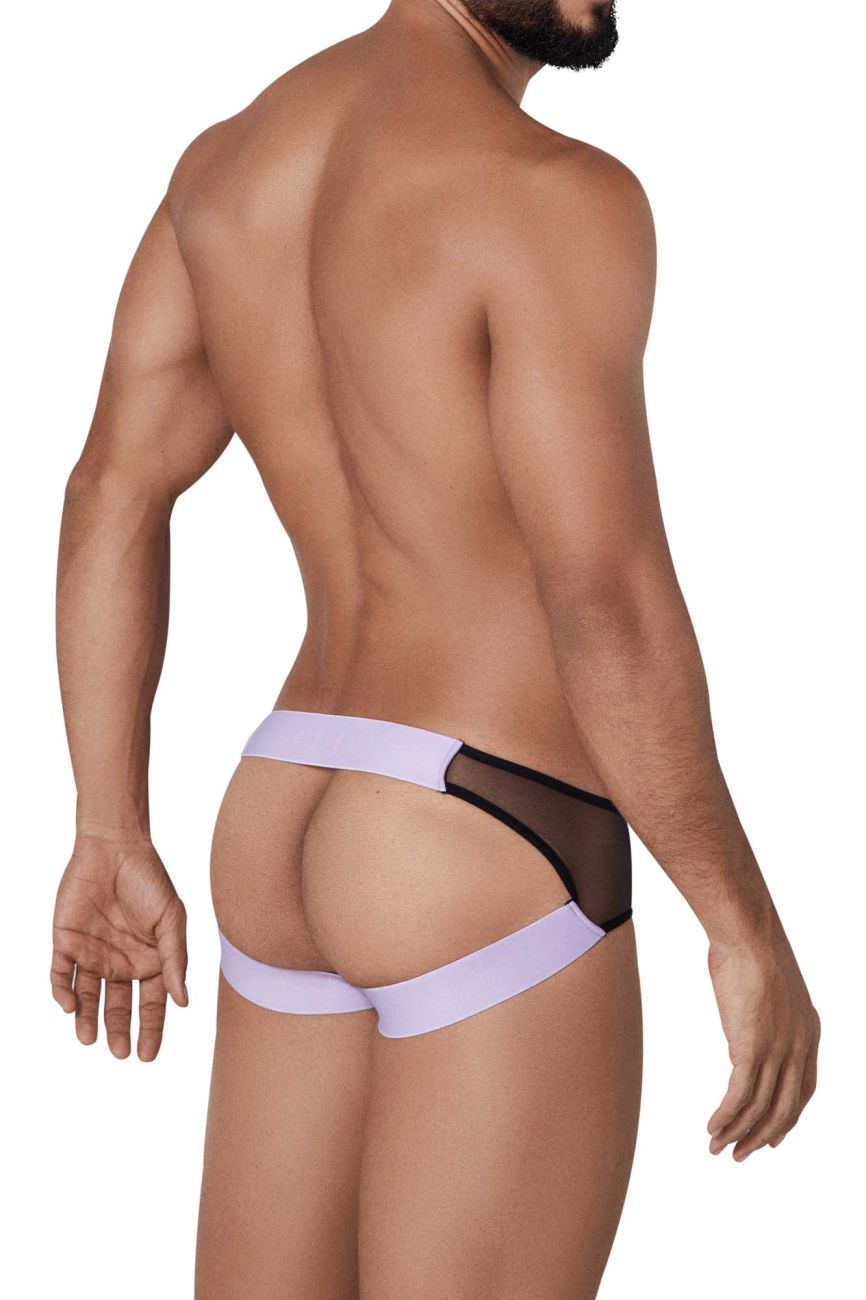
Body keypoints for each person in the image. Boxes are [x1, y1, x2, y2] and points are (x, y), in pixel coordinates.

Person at [51, 2, 820, 1296]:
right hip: (484, 836)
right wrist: (739, 925)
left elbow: (111, 492)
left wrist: (108, 829)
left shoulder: (227, 168)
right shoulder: (548, 192)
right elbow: (602, 596)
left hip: (283, 804)